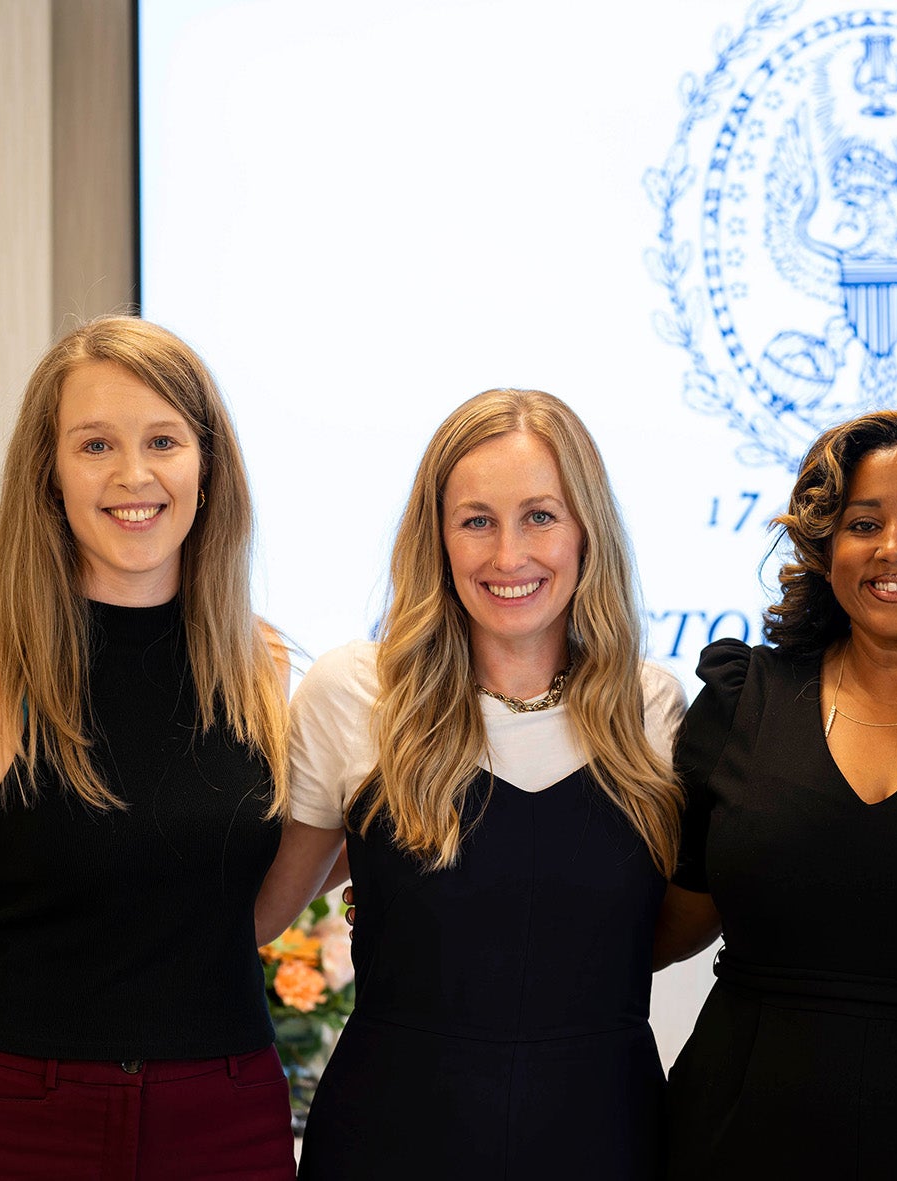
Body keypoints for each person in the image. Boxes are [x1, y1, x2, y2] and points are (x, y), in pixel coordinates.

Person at [0, 317, 296, 1181]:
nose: (133, 475)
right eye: (95, 444)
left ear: (207, 468)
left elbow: (247, 905)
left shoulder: (266, 670)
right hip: (24, 1119)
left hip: (228, 1117)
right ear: (50, 475)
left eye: (163, 440)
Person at [252, 389, 687, 1179]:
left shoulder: (653, 711)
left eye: (540, 516)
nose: (508, 555)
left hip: (605, 1138)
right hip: (391, 1141)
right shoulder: (358, 694)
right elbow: (256, 909)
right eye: (476, 520)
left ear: (587, 530)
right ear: (438, 538)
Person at [655, 410, 897, 1180]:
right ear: (827, 549)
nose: (893, 548)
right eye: (863, 523)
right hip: (736, 1129)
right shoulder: (745, 700)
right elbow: (665, 923)